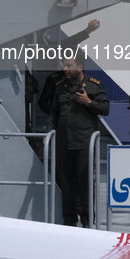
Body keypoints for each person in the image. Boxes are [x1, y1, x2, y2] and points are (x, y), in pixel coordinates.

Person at [50, 49, 109, 227]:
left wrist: (88, 102)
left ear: (80, 67)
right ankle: (69, 222)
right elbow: (53, 114)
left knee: (84, 186)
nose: (65, 69)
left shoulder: (92, 86)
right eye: (64, 65)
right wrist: (49, 132)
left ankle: (87, 221)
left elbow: (105, 109)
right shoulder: (60, 88)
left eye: (69, 66)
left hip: (83, 144)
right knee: (66, 186)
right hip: (64, 144)